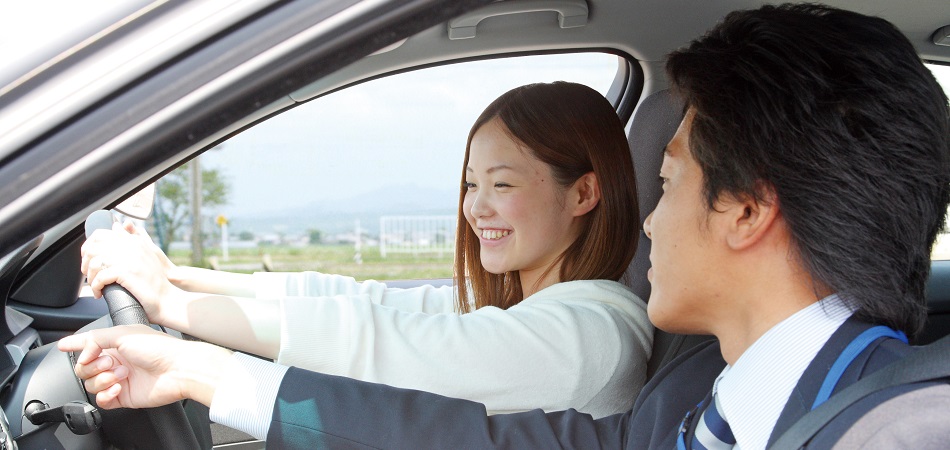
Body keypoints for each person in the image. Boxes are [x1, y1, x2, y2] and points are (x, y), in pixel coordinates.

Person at [62, 3, 950, 448]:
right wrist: (188, 354)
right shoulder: (693, 401)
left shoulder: (900, 429)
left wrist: (190, 335)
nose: (652, 225)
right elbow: (474, 435)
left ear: (749, 209)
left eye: (671, 182)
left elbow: (392, 346)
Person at [78, 81, 653, 419]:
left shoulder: (590, 334)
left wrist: (175, 317)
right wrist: (179, 280)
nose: (475, 208)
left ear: (583, 193)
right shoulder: (518, 308)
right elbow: (360, 300)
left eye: (502, 185)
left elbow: (387, 345)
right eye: (471, 184)